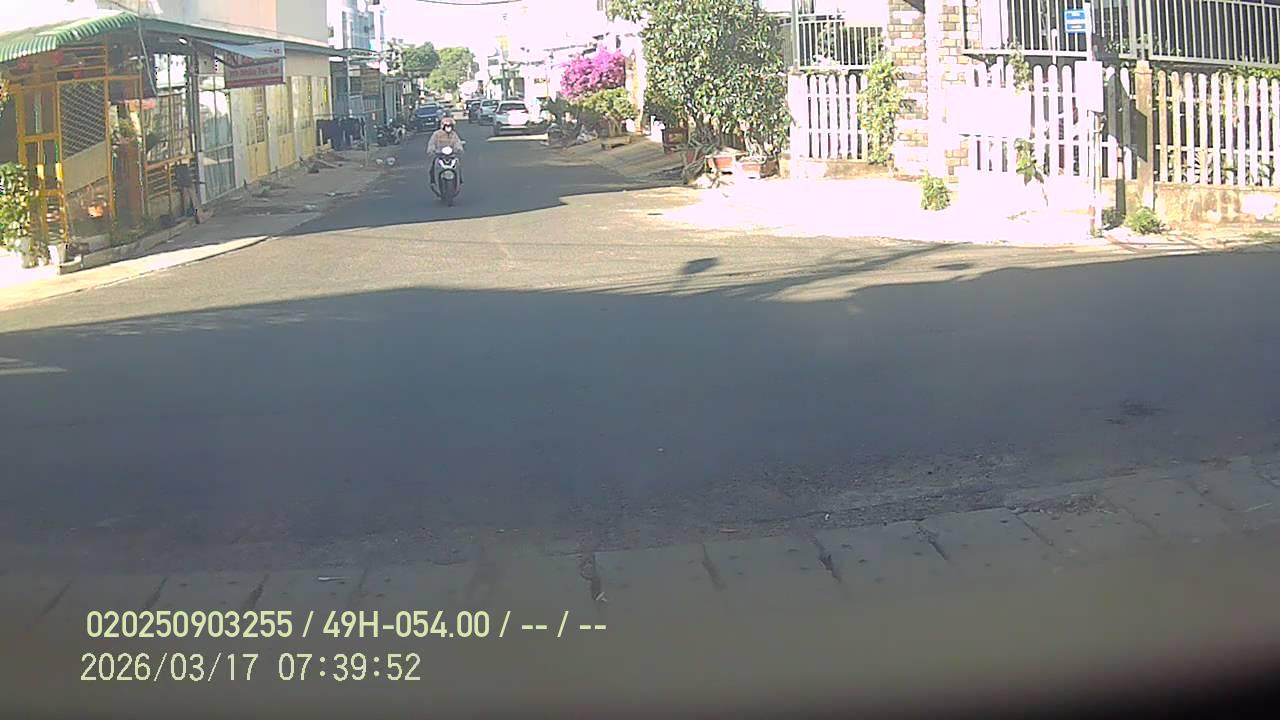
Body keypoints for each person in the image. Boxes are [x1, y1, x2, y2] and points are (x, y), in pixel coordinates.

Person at [427, 117, 465, 194]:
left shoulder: (454, 135)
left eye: (450, 125)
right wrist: (432, 150)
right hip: (439, 156)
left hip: (452, 156)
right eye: (446, 125)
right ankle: (433, 181)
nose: (448, 127)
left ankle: (459, 180)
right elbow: (431, 144)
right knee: (432, 167)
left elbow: (457, 143)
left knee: (458, 165)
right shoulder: (436, 134)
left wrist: (459, 149)